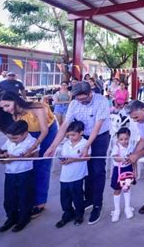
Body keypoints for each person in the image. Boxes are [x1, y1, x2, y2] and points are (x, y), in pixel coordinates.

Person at [44, 82, 112, 225]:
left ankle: (97, 204)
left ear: (90, 93)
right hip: (83, 136)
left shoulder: (101, 101)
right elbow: (64, 126)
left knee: (97, 170)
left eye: (84, 99)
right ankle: (89, 199)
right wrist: (53, 146)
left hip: (99, 136)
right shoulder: (74, 104)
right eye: (79, 99)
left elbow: (96, 127)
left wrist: (86, 146)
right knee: (85, 170)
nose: (81, 101)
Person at [0, 91, 58, 218]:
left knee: (42, 165)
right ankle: (27, 201)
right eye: (2, 108)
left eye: (7, 105)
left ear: (15, 100)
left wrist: (33, 147)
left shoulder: (37, 107)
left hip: (47, 132)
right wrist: (4, 150)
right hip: (31, 133)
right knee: (29, 165)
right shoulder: (15, 116)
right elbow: (18, 136)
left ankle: (40, 203)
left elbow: (44, 131)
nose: (5, 110)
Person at [0, 120, 37, 232]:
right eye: (10, 138)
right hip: (9, 173)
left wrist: (14, 157)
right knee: (9, 198)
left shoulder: (32, 141)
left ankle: (24, 219)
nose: (12, 140)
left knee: (24, 197)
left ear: (25, 133)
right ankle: (11, 218)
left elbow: (35, 156)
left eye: (15, 138)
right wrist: (1, 156)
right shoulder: (10, 140)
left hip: (25, 173)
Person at [56, 121, 90, 228]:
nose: (70, 137)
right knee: (65, 198)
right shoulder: (66, 143)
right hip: (64, 176)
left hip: (77, 176)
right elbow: (63, 156)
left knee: (77, 197)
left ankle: (79, 215)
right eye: (69, 135)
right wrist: (63, 160)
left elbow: (87, 157)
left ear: (81, 133)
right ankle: (68, 214)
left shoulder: (85, 143)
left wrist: (73, 160)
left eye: (73, 135)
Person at [110, 128, 136, 222]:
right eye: (121, 139)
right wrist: (123, 159)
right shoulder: (116, 146)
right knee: (117, 190)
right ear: (117, 139)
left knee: (126, 188)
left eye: (126, 139)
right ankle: (117, 210)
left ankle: (127, 207)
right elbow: (115, 157)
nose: (124, 141)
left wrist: (135, 171)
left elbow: (134, 159)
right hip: (118, 170)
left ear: (129, 138)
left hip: (128, 170)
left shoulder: (131, 146)